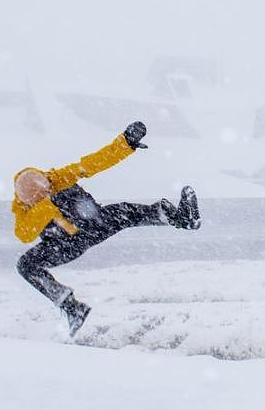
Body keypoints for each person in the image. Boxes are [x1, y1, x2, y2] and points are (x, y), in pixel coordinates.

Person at [12, 121, 200, 336]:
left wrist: (126, 142)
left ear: (45, 177)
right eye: (36, 196)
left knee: (123, 211)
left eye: (44, 188)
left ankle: (182, 218)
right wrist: (44, 206)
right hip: (64, 244)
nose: (43, 194)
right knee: (25, 265)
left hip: (93, 224)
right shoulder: (22, 209)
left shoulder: (59, 178)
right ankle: (71, 308)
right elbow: (23, 234)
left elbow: (94, 163)